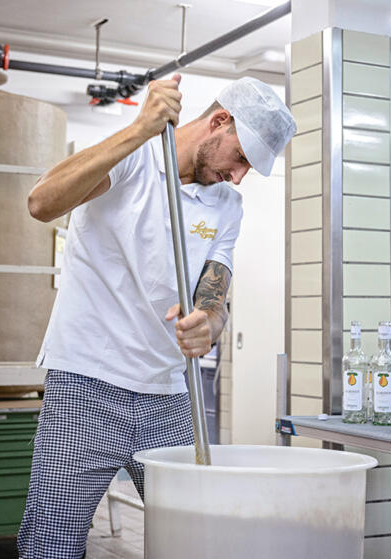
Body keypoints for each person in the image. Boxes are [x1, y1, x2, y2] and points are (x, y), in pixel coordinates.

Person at [18, 74, 296, 558]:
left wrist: (208, 325)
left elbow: (215, 298)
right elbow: (41, 203)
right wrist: (139, 129)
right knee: (51, 546)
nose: (238, 176)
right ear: (219, 121)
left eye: (249, 169)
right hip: (85, 386)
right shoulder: (134, 157)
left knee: (196, 543)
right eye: (240, 158)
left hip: (169, 397)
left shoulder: (227, 205)